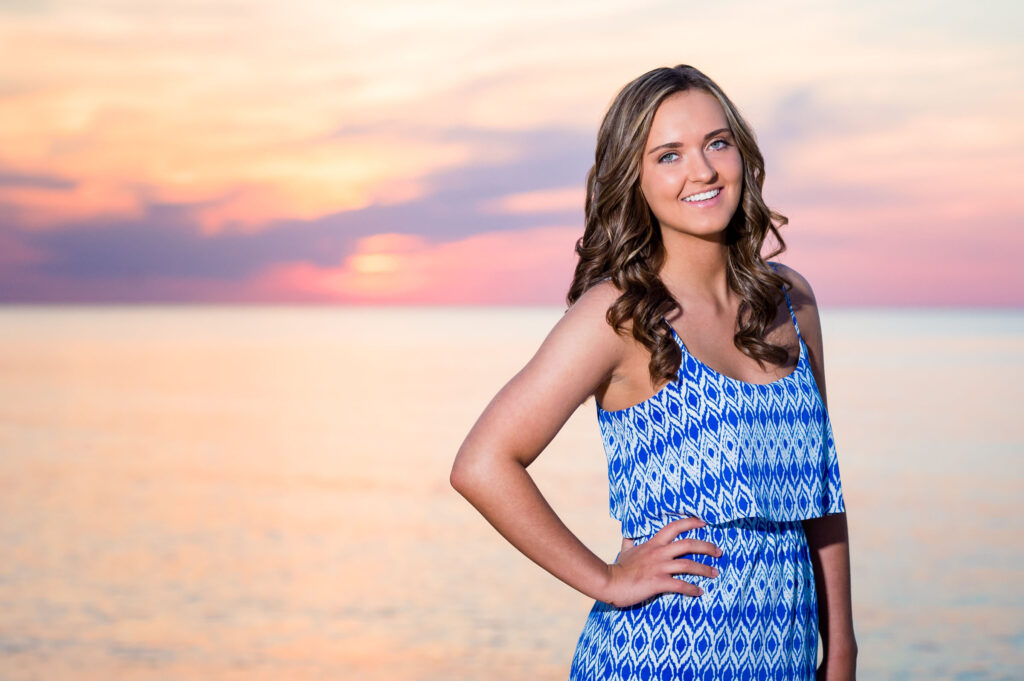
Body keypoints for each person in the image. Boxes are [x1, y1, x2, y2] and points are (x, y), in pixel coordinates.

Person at [450, 64, 856, 680]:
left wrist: (842, 648)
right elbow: (482, 464)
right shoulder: (619, 316)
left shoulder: (791, 301)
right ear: (634, 179)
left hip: (788, 658)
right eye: (669, 155)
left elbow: (821, 492)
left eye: (717, 143)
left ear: (742, 154)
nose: (703, 171)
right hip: (660, 655)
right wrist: (608, 579)